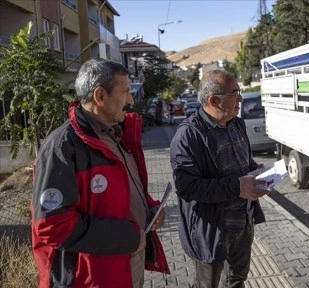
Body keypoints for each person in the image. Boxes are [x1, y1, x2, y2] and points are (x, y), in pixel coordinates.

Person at [31, 58, 170, 288]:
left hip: (123, 268)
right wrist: (126, 237)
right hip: (91, 279)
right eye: (125, 92)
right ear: (100, 96)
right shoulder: (62, 148)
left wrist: (148, 211)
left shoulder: (115, 135)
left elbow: (119, 194)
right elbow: (52, 225)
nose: (131, 100)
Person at [170, 70, 268, 287]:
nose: (240, 98)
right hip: (211, 231)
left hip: (243, 223)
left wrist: (258, 173)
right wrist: (236, 187)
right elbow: (186, 187)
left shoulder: (237, 124)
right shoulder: (188, 135)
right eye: (235, 93)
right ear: (214, 100)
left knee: (236, 280)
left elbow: (246, 164)